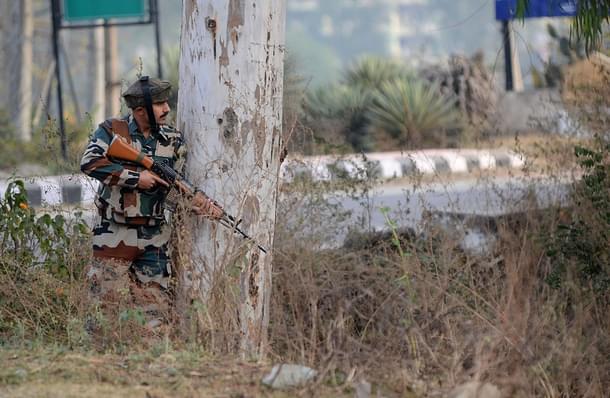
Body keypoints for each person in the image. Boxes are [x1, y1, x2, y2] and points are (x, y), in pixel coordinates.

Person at [80, 76, 222, 331]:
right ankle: (97, 365)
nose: (167, 109)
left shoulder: (172, 140)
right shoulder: (112, 130)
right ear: (140, 110)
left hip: (154, 238)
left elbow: (171, 191)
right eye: (159, 104)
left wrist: (197, 204)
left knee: (154, 313)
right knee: (102, 311)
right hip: (113, 232)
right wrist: (136, 178)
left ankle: (152, 364)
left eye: (166, 102)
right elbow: (89, 162)